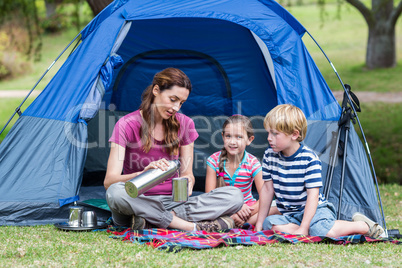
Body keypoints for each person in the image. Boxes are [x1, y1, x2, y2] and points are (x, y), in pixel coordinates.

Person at [104, 68, 243, 232]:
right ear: (156, 90)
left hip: (173, 202)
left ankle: (149, 221)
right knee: (115, 193)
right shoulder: (126, 125)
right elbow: (109, 181)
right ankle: (186, 225)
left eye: (181, 103)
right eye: (172, 99)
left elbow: (187, 173)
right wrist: (143, 173)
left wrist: (188, 182)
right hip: (136, 199)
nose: (176, 107)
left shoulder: (185, 124)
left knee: (234, 196)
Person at [254, 104, 384, 238]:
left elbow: (313, 196)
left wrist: (304, 227)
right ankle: (310, 229)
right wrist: (259, 223)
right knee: (269, 223)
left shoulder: (309, 159)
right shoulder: (270, 155)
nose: (269, 138)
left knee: (321, 230)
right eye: (268, 132)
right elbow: (268, 190)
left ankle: (361, 225)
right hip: (291, 215)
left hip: (317, 210)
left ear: (294, 134)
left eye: (275, 134)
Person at [205, 115, 279, 228]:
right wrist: (234, 209)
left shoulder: (253, 163)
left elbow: (265, 197)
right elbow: (209, 197)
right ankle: (233, 222)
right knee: (205, 210)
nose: (232, 142)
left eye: (238, 137)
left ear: (249, 140)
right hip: (221, 208)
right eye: (228, 136)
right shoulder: (213, 161)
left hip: (247, 211)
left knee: (275, 209)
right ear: (222, 136)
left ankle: (235, 222)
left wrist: (243, 213)